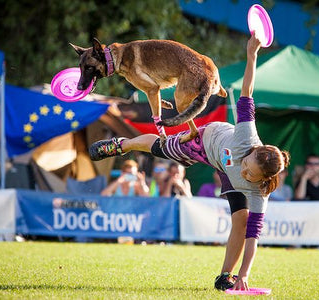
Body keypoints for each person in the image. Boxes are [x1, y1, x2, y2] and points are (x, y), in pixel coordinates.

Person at [88, 34, 290, 291]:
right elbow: (247, 92)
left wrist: (246, 274)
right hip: (207, 141)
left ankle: (226, 276)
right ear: (252, 151)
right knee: (161, 147)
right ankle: (122, 145)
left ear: (262, 180)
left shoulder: (259, 191)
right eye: (247, 164)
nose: (244, 171)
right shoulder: (246, 136)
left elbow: (254, 236)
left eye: (250, 174)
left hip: (222, 164)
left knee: (242, 218)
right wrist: (252, 54)